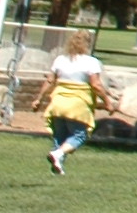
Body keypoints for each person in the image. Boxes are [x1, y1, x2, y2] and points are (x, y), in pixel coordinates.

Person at [44, 30, 105, 174]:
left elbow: (49, 81)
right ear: (88, 44)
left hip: (58, 104)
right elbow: (96, 85)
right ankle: (58, 155)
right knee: (80, 135)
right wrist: (107, 102)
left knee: (60, 137)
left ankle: (57, 168)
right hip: (77, 105)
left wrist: (38, 99)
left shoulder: (60, 60)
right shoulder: (91, 62)